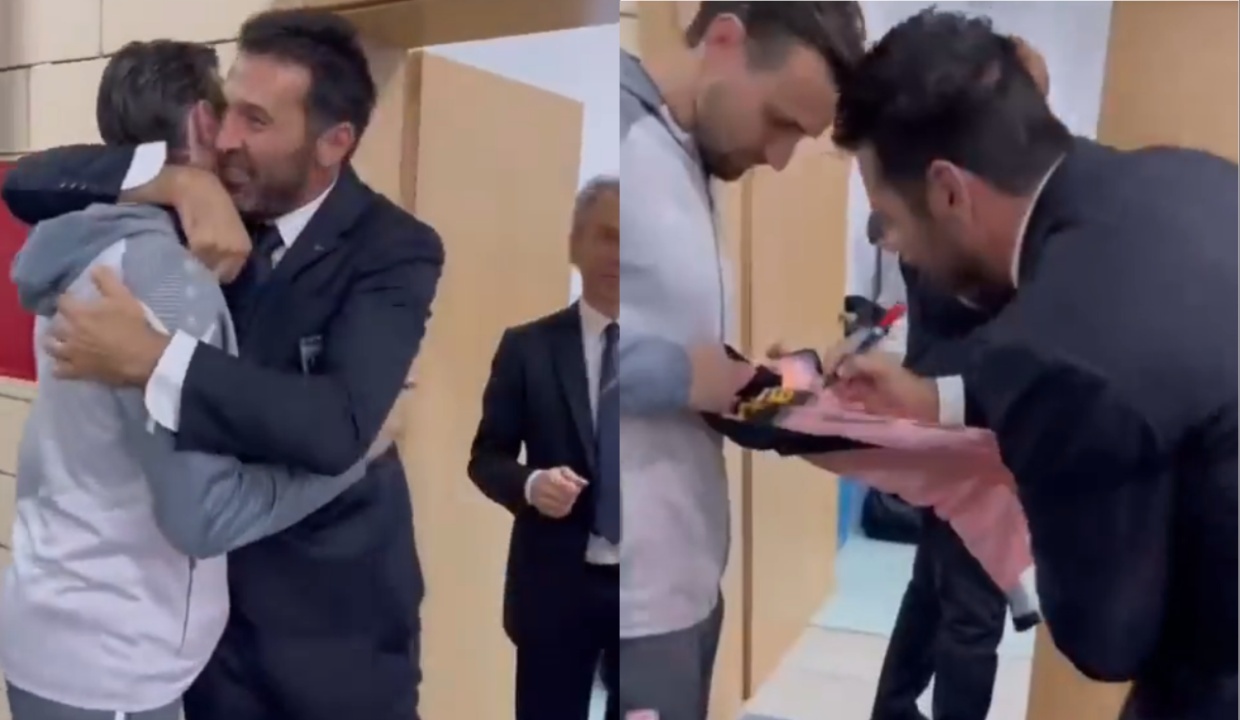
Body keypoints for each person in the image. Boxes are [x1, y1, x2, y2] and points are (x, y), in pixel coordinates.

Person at [0, 9, 444, 720]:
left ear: (333, 142)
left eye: (257, 121)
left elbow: (339, 428)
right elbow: (28, 182)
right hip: (206, 631)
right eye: (226, 110)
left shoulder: (393, 248)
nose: (227, 137)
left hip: (333, 624)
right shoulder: (202, 216)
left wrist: (156, 360)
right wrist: (178, 181)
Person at [830, 11, 1237, 719]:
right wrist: (934, 400)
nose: (896, 246)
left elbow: (1105, 640)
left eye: (889, 220)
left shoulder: (1047, 353)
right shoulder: (1191, 177)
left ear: (948, 191)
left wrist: (1023, 478)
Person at [617, 3, 866, 717]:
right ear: (725, 40)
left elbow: (701, 377)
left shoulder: (685, 158)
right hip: (630, 599)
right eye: (781, 122)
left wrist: (802, 384)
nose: (780, 158)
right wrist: (688, 376)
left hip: (689, 582)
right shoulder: (618, 135)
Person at [468, 176, 619, 720]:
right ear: (575, 244)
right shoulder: (527, 348)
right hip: (556, 588)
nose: (619, 255)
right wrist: (531, 485)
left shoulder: (678, 355)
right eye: (606, 236)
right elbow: (487, 458)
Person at [866, 213, 1009, 720]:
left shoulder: (976, 245)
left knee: (954, 602)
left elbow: (995, 358)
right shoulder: (937, 245)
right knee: (945, 595)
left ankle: (892, 709)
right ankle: (892, 710)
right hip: (951, 434)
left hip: (978, 440)